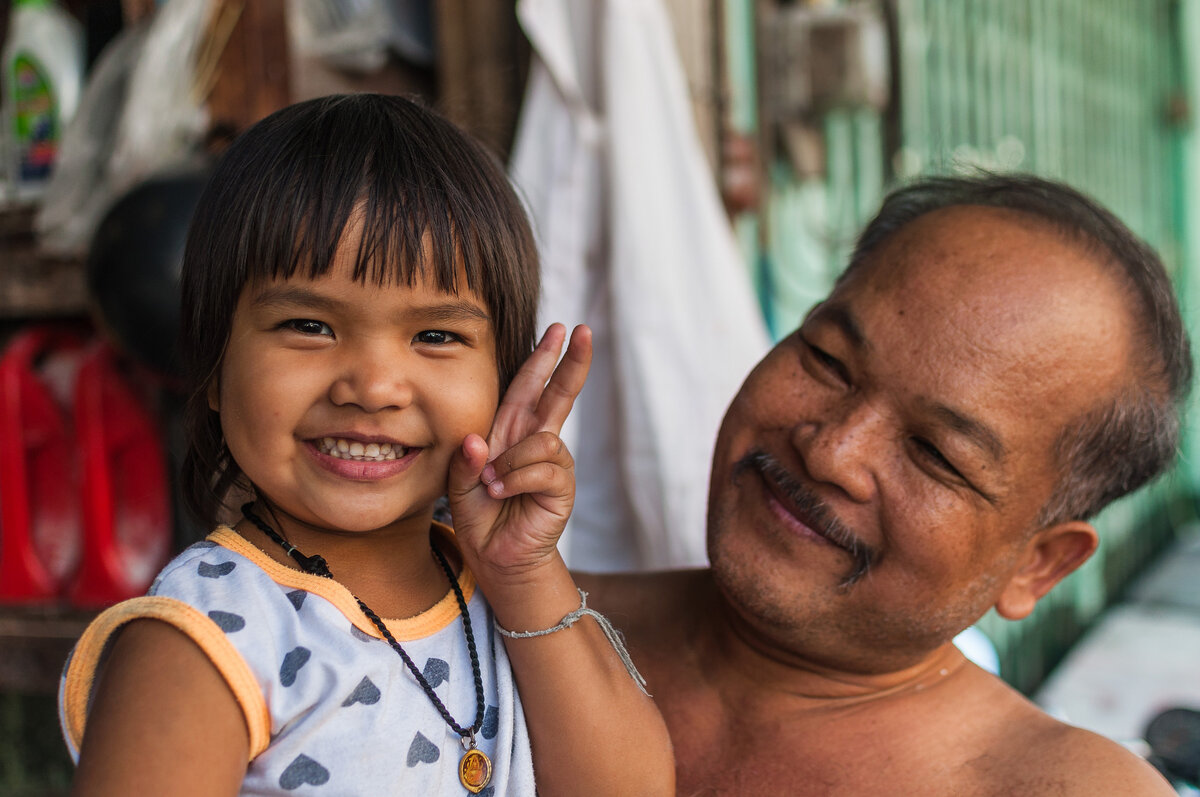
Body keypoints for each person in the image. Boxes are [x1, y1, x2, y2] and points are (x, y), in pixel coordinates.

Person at [58, 94, 673, 796]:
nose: (374, 386)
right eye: (309, 325)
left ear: (503, 381)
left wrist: (525, 572)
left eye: (436, 335)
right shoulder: (209, 640)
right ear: (214, 368)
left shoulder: (498, 591)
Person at [578, 174, 1191, 796]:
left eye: (935, 453)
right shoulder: (510, 632)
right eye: (827, 360)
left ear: (1038, 564)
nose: (832, 452)